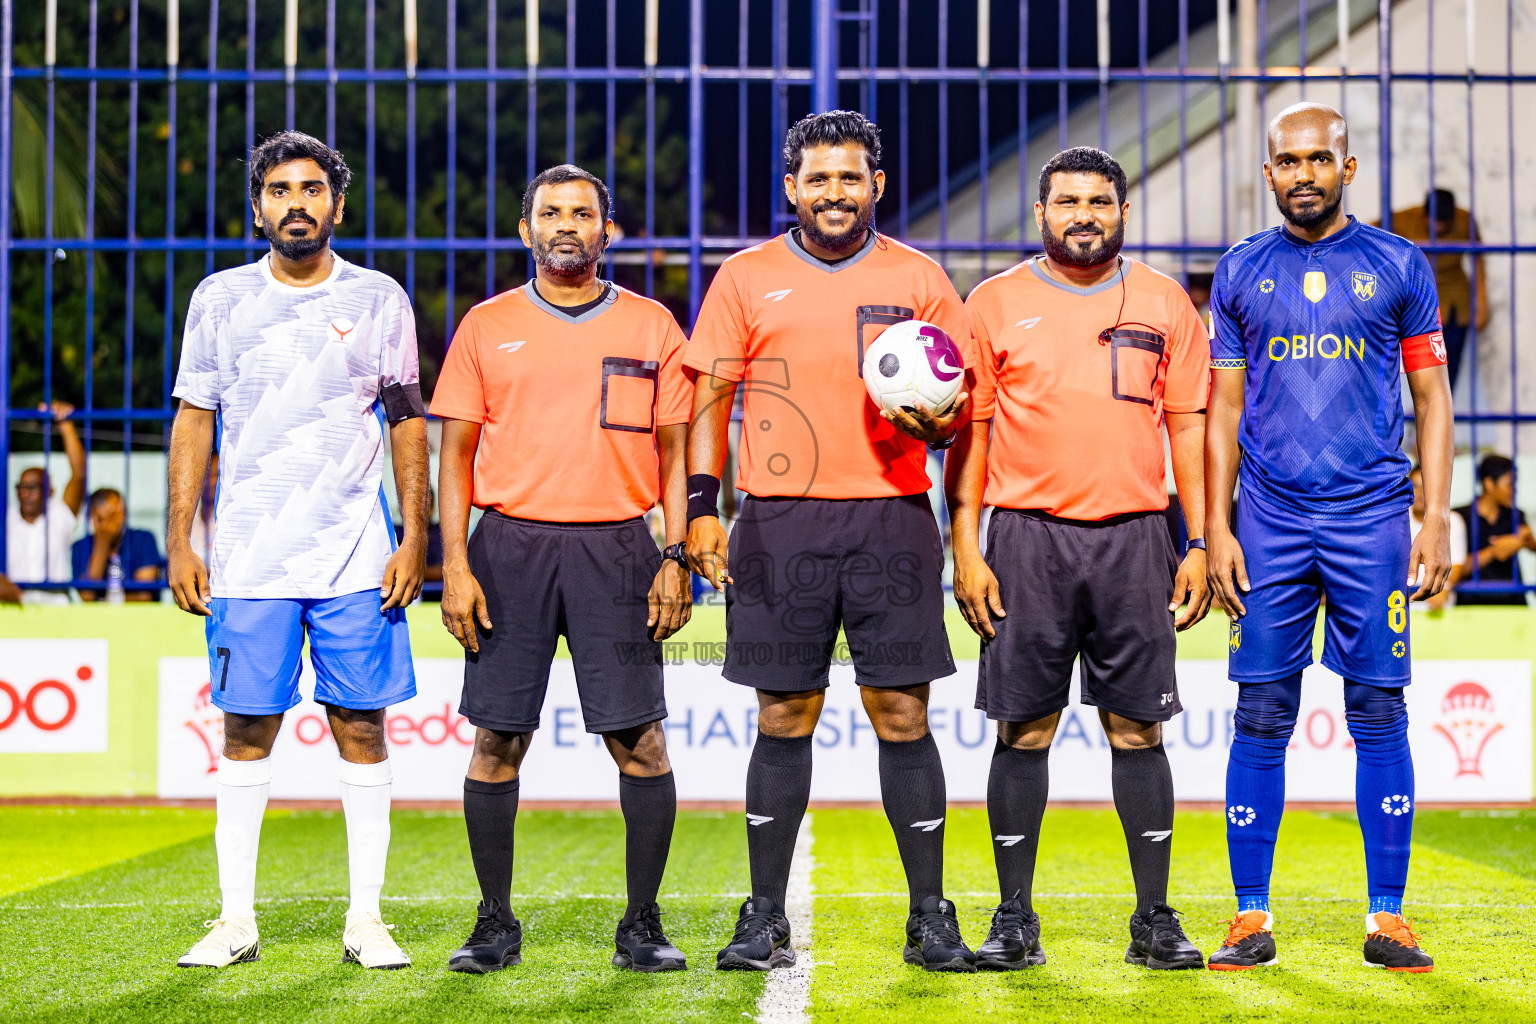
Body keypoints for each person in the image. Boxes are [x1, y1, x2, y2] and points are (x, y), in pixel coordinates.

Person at [686, 110, 978, 973]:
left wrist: (943, 419)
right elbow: (708, 400)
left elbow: (961, 408)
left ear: (876, 185)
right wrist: (705, 506)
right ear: (792, 189)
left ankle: (929, 914)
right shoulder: (745, 278)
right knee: (783, 713)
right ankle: (764, 913)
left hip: (891, 518)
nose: (835, 193)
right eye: (818, 178)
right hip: (779, 523)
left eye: (851, 177)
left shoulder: (921, 278)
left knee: (902, 714)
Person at [165, 131, 429, 971]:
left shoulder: (380, 297)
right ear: (258, 208)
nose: (296, 203)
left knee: (362, 728)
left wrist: (414, 534)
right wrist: (181, 540)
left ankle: (366, 920)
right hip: (248, 559)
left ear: (336, 205)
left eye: (311, 189)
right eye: (279, 190)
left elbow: (407, 421)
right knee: (246, 731)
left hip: (356, 556)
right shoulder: (218, 299)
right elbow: (195, 419)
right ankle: (235, 921)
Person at [950, 146, 1213, 972]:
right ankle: (1014, 920)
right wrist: (965, 543)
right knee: (1023, 729)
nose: (1084, 214)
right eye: (1067, 201)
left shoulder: (1167, 302)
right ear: (1040, 213)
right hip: (1025, 540)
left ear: (1123, 212)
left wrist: (1199, 542)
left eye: (1100, 200)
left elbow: (1191, 432)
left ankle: (1154, 921)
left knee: (1138, 729)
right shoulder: (992, 303)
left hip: (1137, 537)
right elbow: (971, 435)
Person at [1206, 103, 1454, 972]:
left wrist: (1435, 515)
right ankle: (1249, 918)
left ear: (1347, 168)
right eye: (1286, 161)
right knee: (1261, 711)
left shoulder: (1399, 264)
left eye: (1319, 159)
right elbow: (1222, 410)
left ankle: (1387, 917)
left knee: (1378, 709)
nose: (1302, 174)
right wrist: (1215, 528)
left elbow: (1432, 400)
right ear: (1267, 172)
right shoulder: (1239, 271)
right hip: (1269, 522)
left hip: (1373, 518)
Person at [431, 163, 694, 974]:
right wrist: (455, 564)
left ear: (606, 231)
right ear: (526, 231)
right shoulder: (486, 325)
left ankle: (642, 924)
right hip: (507, 549)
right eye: (551, 213)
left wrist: (676, 555)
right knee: (496, 742)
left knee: (640, 742)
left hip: (619, 548)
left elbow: (679, 454)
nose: (567, 225)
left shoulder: (653, 327)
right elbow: (455, 457)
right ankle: (494, 924)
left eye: (583, 212)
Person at [1378, 189, 1488, 390]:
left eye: (1445, 222)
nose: (1440, 227)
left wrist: (1482, 305)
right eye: (1435, 220)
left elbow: (1479, 260)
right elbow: (1372, 232)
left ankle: (1445, 407)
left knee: (1450, 358)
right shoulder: (1406, 218)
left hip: (1455, 299)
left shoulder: (1464, 220)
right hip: (1420, 297)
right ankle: (1422, 407)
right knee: (1420, 358)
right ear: (1426, 214)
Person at [8, 401, 86, 603]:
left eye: (32, 487)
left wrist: (64, 424)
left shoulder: (60, 515)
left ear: (49, 491)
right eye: (21, 487)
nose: (25, 493)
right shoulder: (6, 518)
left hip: (56, 612)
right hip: (12, 611)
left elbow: (79, 474)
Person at [1453, 453, 1532, 606]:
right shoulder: (1460, 517)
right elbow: (1453, 568)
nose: (1513, 490)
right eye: (1509, 484)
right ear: (1489, 483)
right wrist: (1494, 551)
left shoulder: (1515, 515)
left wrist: (1523, 538)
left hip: (1512, 601)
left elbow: (1532, 546)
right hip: (1472, 603)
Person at [71, 488, 162, 601]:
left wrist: (104, 600)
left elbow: (143, 595)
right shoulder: (80, 547)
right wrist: (103, 541)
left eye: (117, 514)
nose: (115, 521)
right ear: (93, 518)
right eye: (106, 517)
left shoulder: (143, 539)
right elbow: (87, 595)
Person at [1410, 463, 1467, 610]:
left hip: (1440, 607)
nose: (1420, 493)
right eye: (1415, 486)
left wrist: (1444, 589)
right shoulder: (1398, 520)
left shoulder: (1452, 520)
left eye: (1425, 487)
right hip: (1402, 608)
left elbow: (1458, 563)